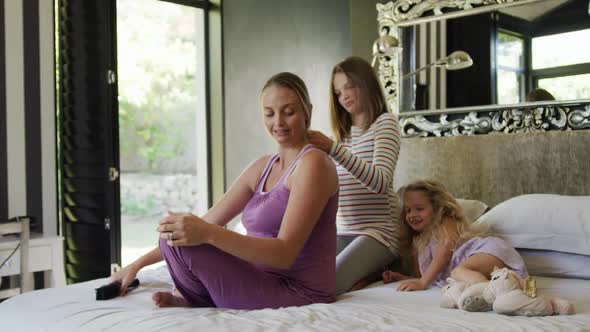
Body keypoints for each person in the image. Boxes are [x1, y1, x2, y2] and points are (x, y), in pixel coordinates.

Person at [112, 72, 339, 309]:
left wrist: (209, 233)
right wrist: (136, 265)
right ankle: (199, 297)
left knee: (185, 239)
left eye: (288, 112)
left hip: (298, 292)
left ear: (307, 112)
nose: (278, 122)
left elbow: (284, 253)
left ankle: (198, 298)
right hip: (258, 279)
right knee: (172, 235)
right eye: (269, 113)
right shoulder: (263, 166)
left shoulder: (314, 164)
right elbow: (205, 222)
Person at [307, 56, 401, 295]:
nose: (344, 96)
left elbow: (381, 182)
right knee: (303, 274)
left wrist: (333, 150)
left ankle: (370, 273)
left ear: (366, 84)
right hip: (343, 230)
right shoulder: (341, 136)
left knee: (328, 285)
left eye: (349, 86)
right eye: (338, 92)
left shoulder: (385, 124)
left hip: (379, 232)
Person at [383, 179, 526, 293]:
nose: (412, 215)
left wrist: (422, 283)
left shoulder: (445, 221)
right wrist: (403, 278)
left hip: (487, 251)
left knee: (459, 272)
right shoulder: (418, 243)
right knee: (460, 274)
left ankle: (490, 295)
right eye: (408, 210)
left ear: (437, 207)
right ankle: (504, 289)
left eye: (419, 209)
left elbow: (444, 253)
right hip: (477, 268)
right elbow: (423, 276)